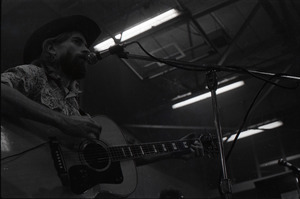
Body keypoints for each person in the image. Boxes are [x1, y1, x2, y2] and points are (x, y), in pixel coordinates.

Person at [1, 15, 203, 198]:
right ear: (51, 48)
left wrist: (172, 151)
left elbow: (111, 159)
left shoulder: (74, 104)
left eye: (86, 44)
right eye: (77, 41)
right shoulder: (35, 74)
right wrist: (63, 122)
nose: (87, 50)